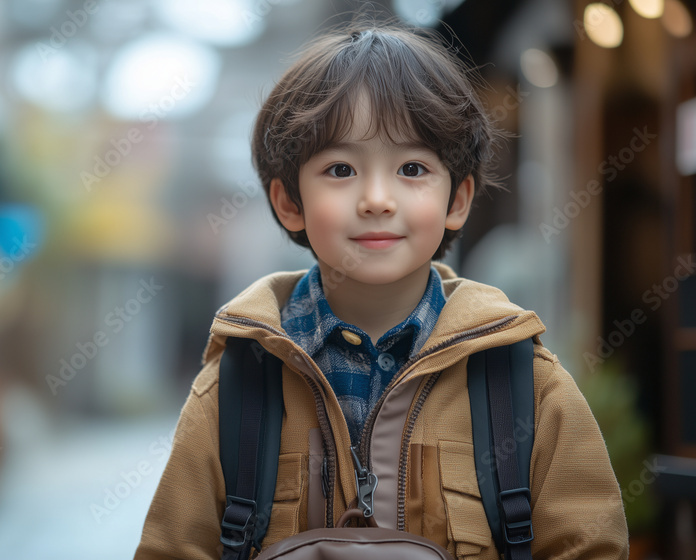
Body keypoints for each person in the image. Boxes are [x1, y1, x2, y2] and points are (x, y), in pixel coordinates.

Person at [135, 19, 629, 560]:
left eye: (411, 168)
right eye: (340, 169)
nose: (376, 199)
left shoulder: (523, 385)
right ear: (289, 203)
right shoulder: (237, 385)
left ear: (457, 201)